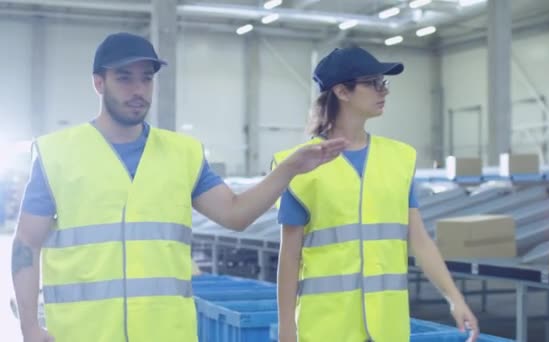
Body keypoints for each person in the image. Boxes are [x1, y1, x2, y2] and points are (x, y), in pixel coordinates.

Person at [10, 32, 347, 342]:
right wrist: (29, 328)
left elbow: (235, 214)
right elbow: (26, 241)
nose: (138, 90)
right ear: (98, 83)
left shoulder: (182, 154)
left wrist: (288, 169)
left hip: (165, 332)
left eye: (146, 79)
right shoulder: (58, 153)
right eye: (124, 78)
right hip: (84, 333)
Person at [272, 47, 479, 342]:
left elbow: (419, 240)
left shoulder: (399, 158)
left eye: (384, 83)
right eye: (373, 83)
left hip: (387, 326)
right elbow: (289, 256)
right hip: (326, 326)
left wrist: (455, 299)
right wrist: (286, 330)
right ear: (342, 92)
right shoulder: (298, 164)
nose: (384, 91)